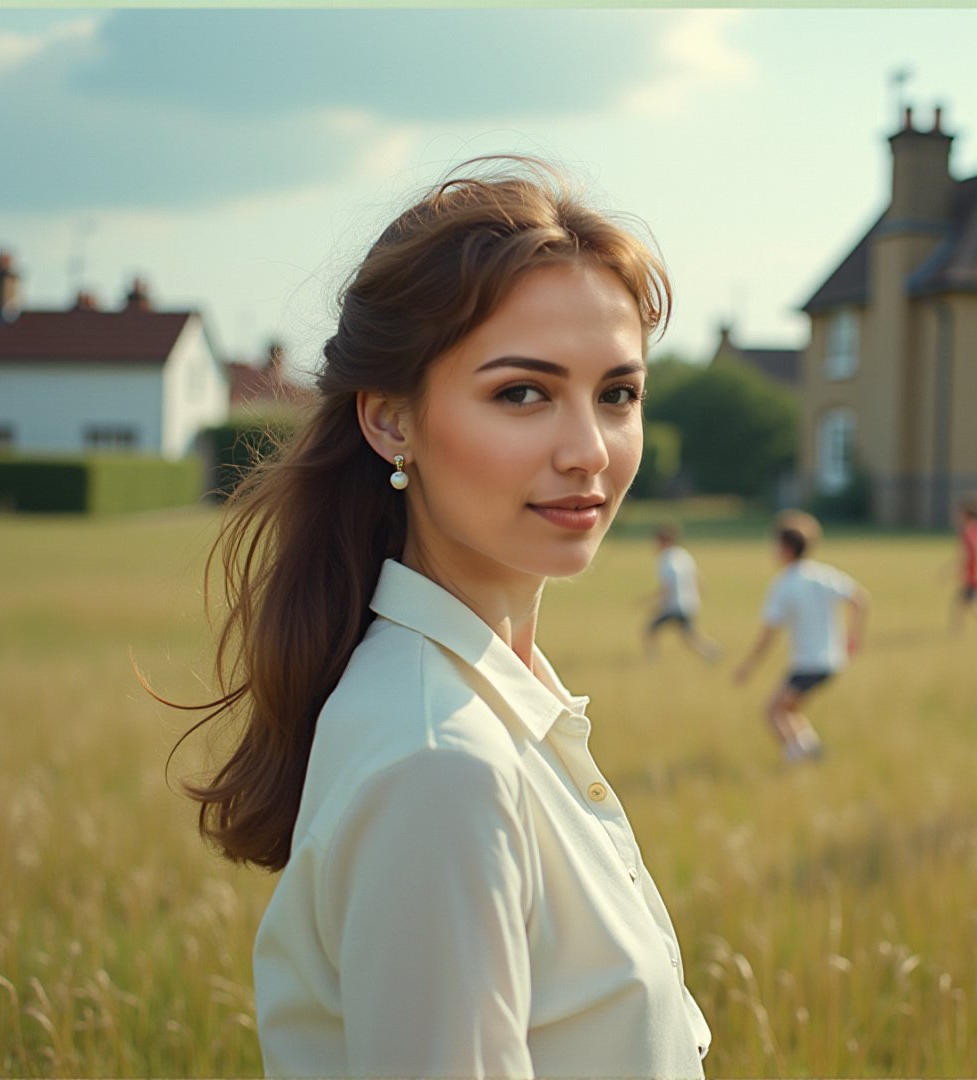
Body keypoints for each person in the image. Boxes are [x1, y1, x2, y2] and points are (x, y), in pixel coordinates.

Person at [169, 160, 709, 1077]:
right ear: (390, 421)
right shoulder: (445, 766)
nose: (589, 451)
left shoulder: (491, 708)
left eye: (617, 394)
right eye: (522, 393)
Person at [733, 511, 869, 763]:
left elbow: (768, 636)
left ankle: (797, 757)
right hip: (832, 661)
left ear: (785, 549)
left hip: (808, 663)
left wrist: (748, 667)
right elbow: (860, 600)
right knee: (791, 710)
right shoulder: (824, 574)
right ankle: (812, 749)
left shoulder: (784, 585)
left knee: (772, 711)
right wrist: (853, 639)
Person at [643, 521, 721, 661]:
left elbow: (668, 587)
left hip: (675, 606)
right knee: (689, 636)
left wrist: (655, 603)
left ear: (664, 541)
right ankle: (711, 652)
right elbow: (698, 579)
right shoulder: (683, 555)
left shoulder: (666, 560)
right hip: (689, 603)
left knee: (651, 629)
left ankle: (652, 659)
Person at [947, 493, 977, 632]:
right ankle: (958, 628)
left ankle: (957, 629)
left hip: (974, 575)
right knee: (975, 604)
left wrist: (959, 569)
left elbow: (971, 553)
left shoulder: (969, 531)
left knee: (967, 604)